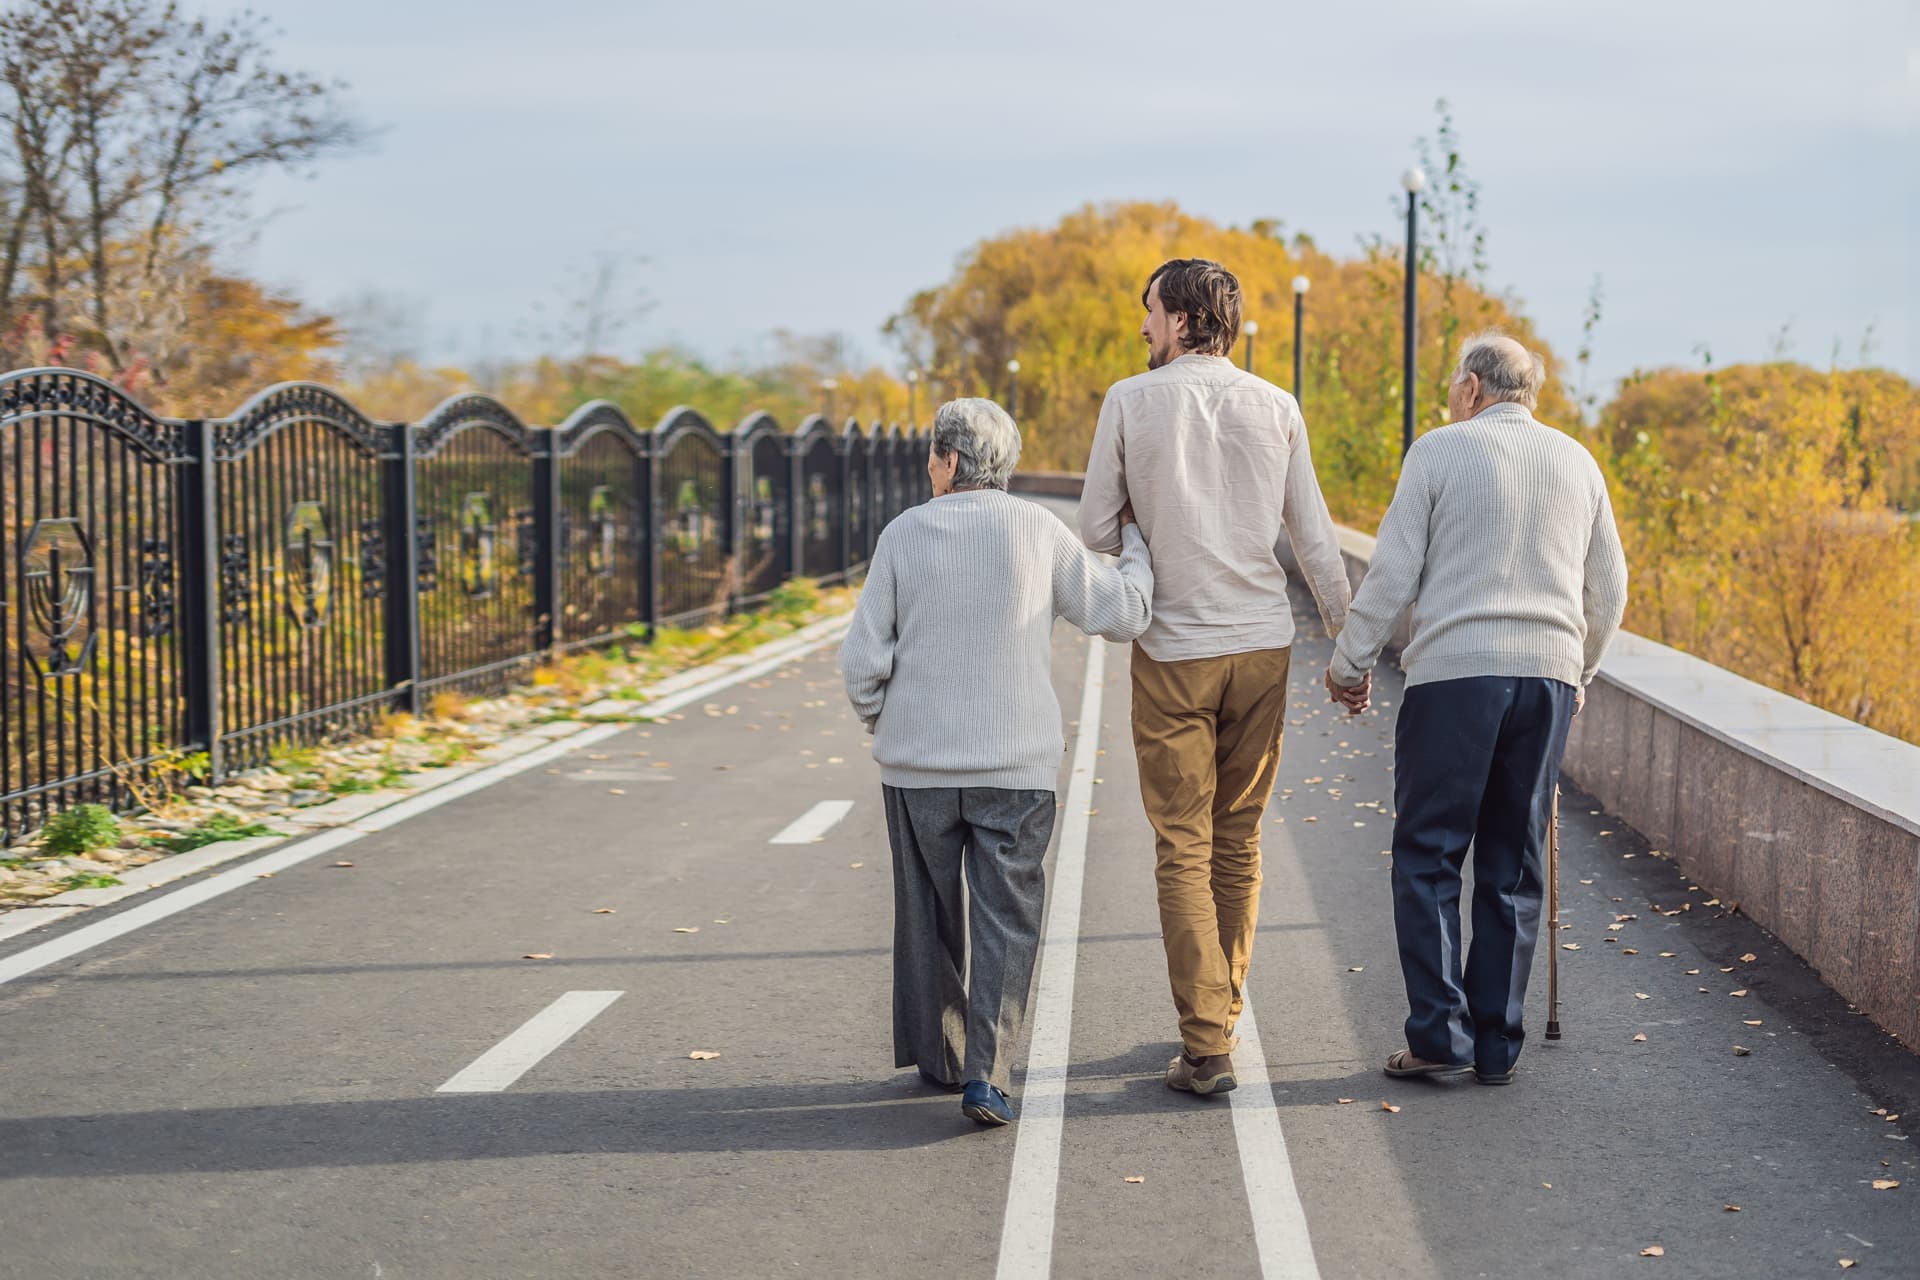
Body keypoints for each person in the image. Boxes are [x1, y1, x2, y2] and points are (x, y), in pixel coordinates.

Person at [1079, 258, 1353, 1097]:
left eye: (1151, 313)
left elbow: (1092, 524)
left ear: (1186, 320)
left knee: (1183, 845)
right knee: (1238, 838)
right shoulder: (1277, 407)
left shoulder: (1131, 399)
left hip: (1175, 651)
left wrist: (1141, 538)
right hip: (1263, 649)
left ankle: (1205, 1041)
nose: (1143, 328)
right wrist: (1349, 652)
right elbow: (1314, 540)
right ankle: (1220, 1016)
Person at [840, 397, 1154, 1128]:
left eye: (932, 454)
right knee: (1007, 919)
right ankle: (988, 1076)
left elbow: (861, 665)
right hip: (1015, 769)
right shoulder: (1039, 531)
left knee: (927, 915)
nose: (928, 465)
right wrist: (1134, 545)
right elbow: (1125, 615)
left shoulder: (903, 535)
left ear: (951, 462)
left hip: (916, 771)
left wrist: (886, 722)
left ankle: (942, 1057)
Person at [1325, 331, 1627, 1086]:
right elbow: (1611, 590)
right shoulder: (1577, 462)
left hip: (1456, 678)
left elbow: (1393, 571)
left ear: (1469, 388)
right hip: (1547, 680)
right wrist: (1578, 670)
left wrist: (1348, 664)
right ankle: (1495, 1045)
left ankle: (1438, 1036)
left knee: (1428, 856)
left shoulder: (1439, 451)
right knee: (1512, 865)